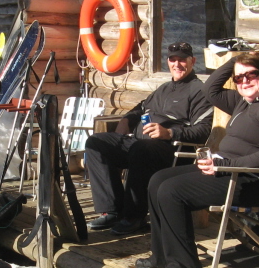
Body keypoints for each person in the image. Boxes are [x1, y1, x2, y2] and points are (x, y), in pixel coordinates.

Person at [140, 52, 259, 268]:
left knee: (171, 191)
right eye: (239, 77)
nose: (245, 81)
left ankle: (184, 267)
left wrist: (223, 165)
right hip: (224, 170)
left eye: (252, 74)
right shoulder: (241, 102)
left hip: (250, 181)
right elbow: (209, 89)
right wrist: (236, 60)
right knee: (158, 180)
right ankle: (161, 256)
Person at [84, 41, 212, 235]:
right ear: (168, 62)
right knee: (96, 143)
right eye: (172, 60)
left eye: (182, 60)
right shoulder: (164, 89)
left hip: (173, 149)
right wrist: (127, 119)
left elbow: (203, 130)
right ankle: (111, 210)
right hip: (141, 144)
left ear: (192, 61)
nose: (177, 64)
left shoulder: (199, 92)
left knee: (142, 149)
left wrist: (169, 133)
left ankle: (134, 217)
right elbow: (140, 108)